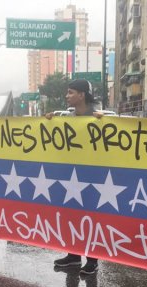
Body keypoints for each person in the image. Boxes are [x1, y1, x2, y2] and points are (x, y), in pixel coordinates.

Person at [45, 79, 103, 276]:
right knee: (72, 215)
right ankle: (73, 255)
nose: (66, 96)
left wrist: (104, 122)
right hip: (71, 177)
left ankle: (92, 260)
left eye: (70, 92)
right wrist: (50, 122)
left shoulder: (98, 117)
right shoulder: (67, 118)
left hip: (93, 178)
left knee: (91, 219)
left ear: (82, 95)